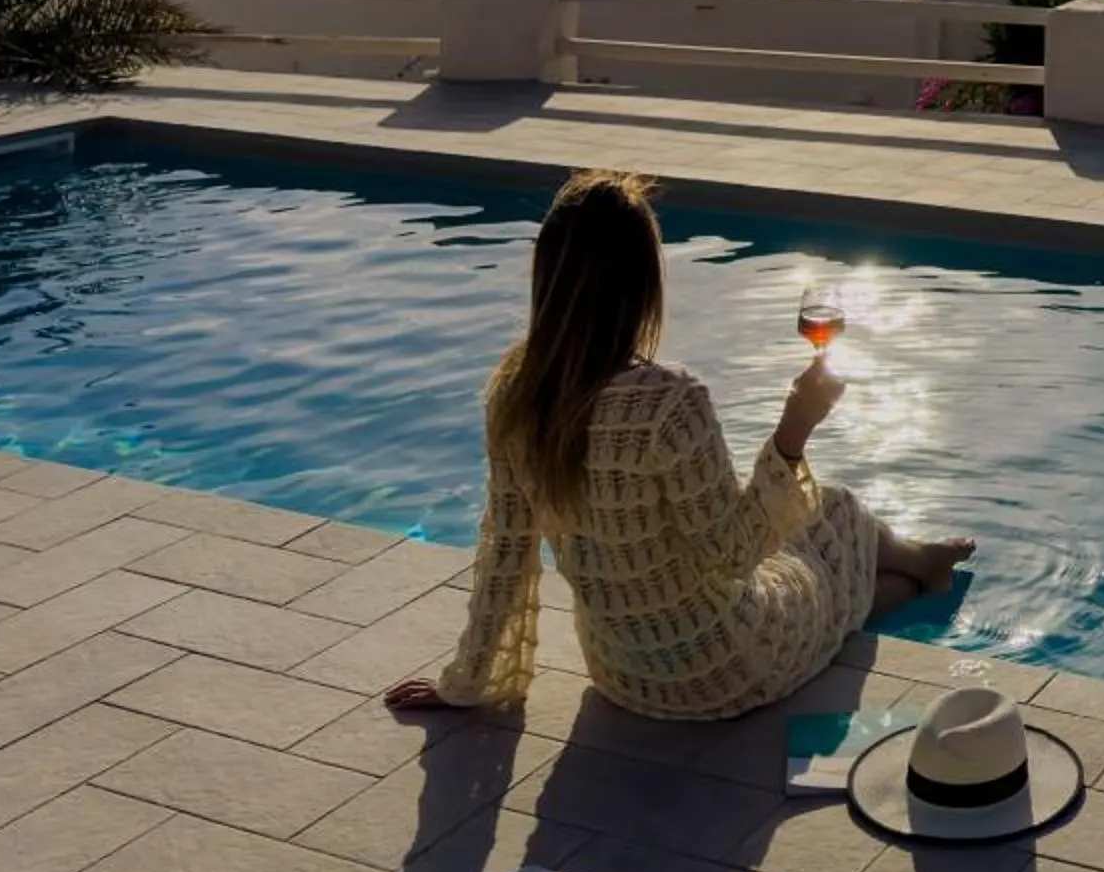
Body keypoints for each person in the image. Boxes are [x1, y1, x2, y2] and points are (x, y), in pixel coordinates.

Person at [385, 169, 974, 724]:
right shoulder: (667, 402)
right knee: (836, 513)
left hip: (624, 676)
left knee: (823, 524)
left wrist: (463, 683)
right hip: (730, 667)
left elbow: (505, 555)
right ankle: (923, 572)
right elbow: (733, 554)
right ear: (641, 284)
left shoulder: (515, 395)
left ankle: (923, 558)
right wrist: (795, 430)